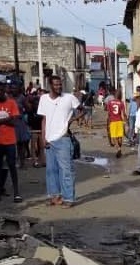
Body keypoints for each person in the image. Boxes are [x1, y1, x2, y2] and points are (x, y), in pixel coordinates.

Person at [38, 75, 84, 207]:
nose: (58, 87)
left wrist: (70, 121)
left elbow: (82, 110)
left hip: (63, 139)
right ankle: (54, 196)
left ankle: (68, 198)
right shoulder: (43, 99)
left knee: (66, 170)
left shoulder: (69, 98)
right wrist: (43, 137)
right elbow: (44, 119)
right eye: (56, 85)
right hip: (49, 140)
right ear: (50, 86)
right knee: (51, 171)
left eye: (60, 84)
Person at [0, 82, 22, 202]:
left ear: (5, 91)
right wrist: (7, 119)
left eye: (2, 90)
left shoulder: (11, 103)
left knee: (12, 166)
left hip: (10, 141)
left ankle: (16, 193)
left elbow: (15, 122)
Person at [106, 90, 125, 158]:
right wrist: (125, 122)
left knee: (114, 137)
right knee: (120, 136)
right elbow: (123, 114)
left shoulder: (110, 103)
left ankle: (118, 149)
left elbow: (108, 113)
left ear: (114, 95)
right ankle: (120, 147)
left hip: (112, 122)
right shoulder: (121, 103)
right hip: (119, 121)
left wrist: (108, 122)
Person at [26, 96, 44, 167]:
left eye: (38, 104)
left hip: (41, 130)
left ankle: (42, 160)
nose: (36, 105)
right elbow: (29, 121)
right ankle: (34, 161)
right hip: (33, 130)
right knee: (33, 147)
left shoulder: (42, 111)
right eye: (35, 104)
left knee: (42, 146)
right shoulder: (30, 112)